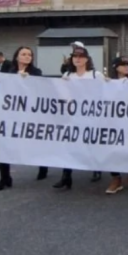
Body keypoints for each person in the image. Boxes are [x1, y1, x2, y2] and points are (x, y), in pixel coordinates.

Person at [0, 46, 48, 192]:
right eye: (24, 54)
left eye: (29, 54)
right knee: (4, 145)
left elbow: (41, 87)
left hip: (30, 115)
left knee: (35, 143)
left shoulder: (35, 72)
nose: (27, 57)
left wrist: (28, 80)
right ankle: (5, 178)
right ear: (17, 56)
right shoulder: (8, 72)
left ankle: (43, 165)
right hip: (11, 115)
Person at [53, 46, 106, 190]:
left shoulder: (96, 75)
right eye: (75, 57)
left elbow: (105, 92)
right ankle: (66, 176)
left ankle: (96, 168)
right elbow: (61, 93)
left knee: (92, 144)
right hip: (73, 115)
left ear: (87, 59)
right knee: (69, 144)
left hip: (93, 115)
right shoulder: (68, 76)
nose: (77, 59)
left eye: (81, 57)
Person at [105, 56, 128, 194]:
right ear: (115, 67)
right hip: (112, 121)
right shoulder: (108, 82)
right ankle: (116, 178)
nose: (127, 67)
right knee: (110, 149)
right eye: (123, 64)